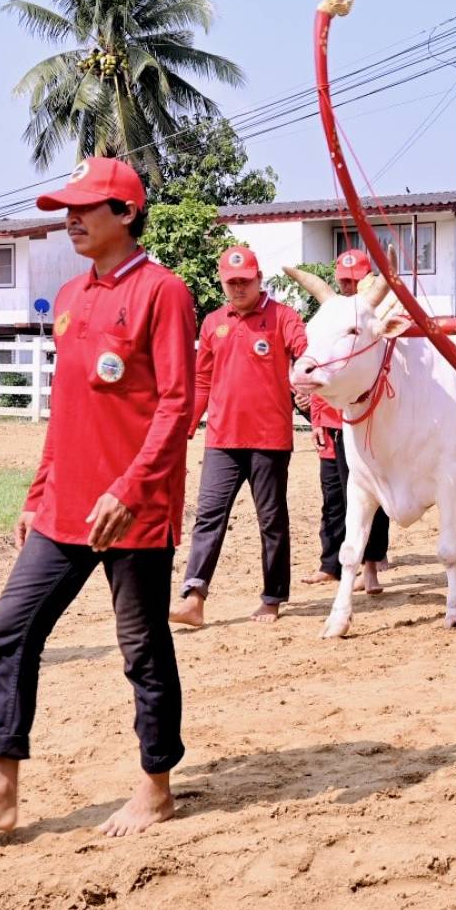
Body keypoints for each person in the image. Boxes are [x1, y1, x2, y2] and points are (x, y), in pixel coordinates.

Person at [0, 157, 194, 835]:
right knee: (11, 629)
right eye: (65, 208)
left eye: (85, 207)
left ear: (126, 213)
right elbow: (67, 408)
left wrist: (130, 488)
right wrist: (38, 492)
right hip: (64, 507)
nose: (70, 219)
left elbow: (178, 404)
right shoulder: (70, 298)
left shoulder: (163, 292)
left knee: (142, 647)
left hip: (133, 510)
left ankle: (155, 785)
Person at [171, 246, 307, 626]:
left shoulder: (284, 318)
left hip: (270, 440)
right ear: (222, 282)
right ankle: (193, 598)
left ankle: (273, 597)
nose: (239, 288)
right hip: (221, 439)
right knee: (208, 516)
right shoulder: (213, 322)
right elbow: (201, 379)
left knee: (271, 521)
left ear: (259, 278)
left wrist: (308, 380)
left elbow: (307, 355)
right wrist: (186, 425)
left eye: (245, 281)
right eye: (232, 283)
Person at [303, 250, 390, 592]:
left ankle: (370, 569)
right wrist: (315, 421)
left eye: (355, 280)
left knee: (370, 494)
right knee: (333, 495)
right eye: (343, 280)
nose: (349, 285)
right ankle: (330, 564)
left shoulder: (379, 314)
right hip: (331, 419)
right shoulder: (327, 317)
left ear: (368, 277)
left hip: (368, 420)